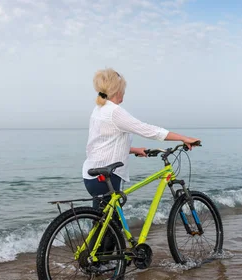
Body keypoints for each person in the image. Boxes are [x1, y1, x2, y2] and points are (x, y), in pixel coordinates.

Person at [82, 68, 200, 209]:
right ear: (117, 89)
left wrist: (134, 150)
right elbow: (148, 130)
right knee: (113, 226)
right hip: (106, 178)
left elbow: (103, 144)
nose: (125, 91)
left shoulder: (99, 109)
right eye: (123, 88)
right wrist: (183, 138)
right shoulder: (114, 112)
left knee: (103, 223)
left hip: (92, 176)